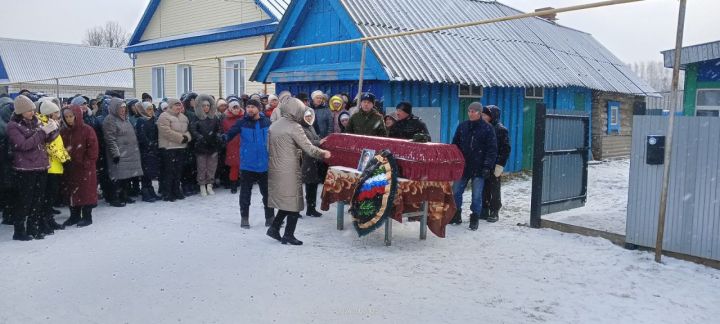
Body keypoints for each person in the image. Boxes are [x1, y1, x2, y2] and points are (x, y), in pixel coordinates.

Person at [266, 99, 331, 245]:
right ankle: (288, 235)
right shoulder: (294, 127)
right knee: (294, 201)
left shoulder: (274, 126)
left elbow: (268, 148)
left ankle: (274, 228)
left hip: (275, 167)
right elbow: (309, 148)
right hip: (290, 168)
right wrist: (323, 153)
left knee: (287, 200)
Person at [6, 95, 58, 240]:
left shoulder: (35, 122)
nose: (32, 113)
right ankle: (19, 230)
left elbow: (45, 140)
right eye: (28, 110)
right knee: (24, 200)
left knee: (38, 199)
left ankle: (33, 227)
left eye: (33, 110)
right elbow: (23, 145)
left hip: (41, 166)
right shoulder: (13, 126)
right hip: (25, 168)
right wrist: (42, 132)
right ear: (20, 112)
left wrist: (53, 130)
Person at [224, 99, 273, 229]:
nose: (250, 109)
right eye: (248, 107)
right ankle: (244, 218)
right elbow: (229, 135)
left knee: (267, 193)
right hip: (247, 164)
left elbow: (276, 138)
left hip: (264, 163)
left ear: (259, 109)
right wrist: (219, 139)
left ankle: (270, 217)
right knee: (245, 193)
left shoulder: (267, 122)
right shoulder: (242, 122)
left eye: (253, 107)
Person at [450, 102, 498, 231]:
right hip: (463, 166)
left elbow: (492, 149)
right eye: (469, 111)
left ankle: (474, 217)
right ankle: (456, 214)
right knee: (456, 192)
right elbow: (455, 145)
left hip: (479, 166)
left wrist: (487, 166)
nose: (471, 113)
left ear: (480, 113)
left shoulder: (487, 128)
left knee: (476, 195)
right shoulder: (463, 126)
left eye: (474, 111)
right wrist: (455, 160)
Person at [60, 105, 99, 227]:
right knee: (72, 192)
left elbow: (93, 148)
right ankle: (74, 215)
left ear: (77, 116)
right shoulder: (64, 131)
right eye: (66, 117)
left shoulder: (87, 130)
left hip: (84, 168)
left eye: (71, 116)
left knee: (86, 191)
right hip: (70, 167)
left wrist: (86, 162)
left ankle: (87, 216)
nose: (69, 119)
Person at [102, 98, 144, 207]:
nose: (123, 110)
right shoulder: (110, 120)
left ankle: (124, 195)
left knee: (126, 176)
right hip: (119, 153)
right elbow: (110, 138)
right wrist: (115, 153)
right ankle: (114, 198)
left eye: (124, 107)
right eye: (120, 107)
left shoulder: (125, 119)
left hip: (129, 152)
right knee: (117, 176)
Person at [38, 100, 71, 234]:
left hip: (55, 165)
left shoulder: (51, 124)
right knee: (47, 197)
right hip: (50, 166)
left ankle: (49, 220)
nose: (59, 114)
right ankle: (44, 221)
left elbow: (59, 146)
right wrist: (65, 159)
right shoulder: (47, 125)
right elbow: (51, 146)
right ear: (49, 113)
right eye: (56, 112)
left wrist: (65, 157)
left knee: (50, 197)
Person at [481, 105, 511, 223]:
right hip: (483, 163)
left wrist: (500, 164)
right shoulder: (481, 127)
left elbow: (505, 149)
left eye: (485, 115)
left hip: (495, 164)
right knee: (483, 187)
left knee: (494, 188)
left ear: (492, 116)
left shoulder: (500, 130)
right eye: (482, 114)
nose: (482, 116)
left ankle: (494, 211)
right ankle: (484, 209)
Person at [157, 99, 191, 202]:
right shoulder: (164, 116)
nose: (178, 108)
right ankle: (168, 192)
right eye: (176, 106)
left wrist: (187, 137)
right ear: (171, 106)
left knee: (178, 171)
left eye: (179, 106)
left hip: (180, 147)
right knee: (169, 171)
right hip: (168, 148)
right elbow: (166, 132)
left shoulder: (184, 117)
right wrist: (181, 138)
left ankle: (176, 190)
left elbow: (187, 131)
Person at [190, 94, 222, 197]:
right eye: (204, 106)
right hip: (201, 146)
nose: (206, 108)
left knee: (211, 167)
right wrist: (200, 137)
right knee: (202, 167)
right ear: (200, 107)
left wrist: (216, 135)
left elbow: (219, 129)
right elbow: (193, 130)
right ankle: (202, 185)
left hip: (212, 146)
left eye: (208, 105)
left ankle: (209, 184)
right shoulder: (196, 117)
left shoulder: (214, 117)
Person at [300, 108, 325, 217]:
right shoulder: (300, 128)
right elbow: (306, 143)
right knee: (305, 186)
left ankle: (311, 208)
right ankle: (295, 211)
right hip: (305, 160)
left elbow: (315, 138)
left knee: (313, 185)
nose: (309, 118)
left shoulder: (310, 126)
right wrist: (319, 142)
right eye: (306, 116)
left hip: (313, 160)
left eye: (310, 116)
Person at [135, 101, 162, 202]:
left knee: (151, 172)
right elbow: (141, 136)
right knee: (145, 173)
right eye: (148, 109)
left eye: (152, 109)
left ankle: (151, 191)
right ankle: (146, 193)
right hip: (145, 151)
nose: (151, 111)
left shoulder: (154, 119)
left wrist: (155, 144)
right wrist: (150, 144)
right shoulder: (141, 120)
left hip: (154, 150)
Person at [222, 98, 244, 193]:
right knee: (234, 167)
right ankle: (233, 185)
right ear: (230, 109)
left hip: (243, 144)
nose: (236, 110)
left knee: (244, 166)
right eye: (234, 108)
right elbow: (225, 132)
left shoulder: (244, 118)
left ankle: (244, 183)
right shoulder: (225, 120)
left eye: (237, 108)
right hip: (232, 145)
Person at [0, 97, 14, 225]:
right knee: (8, 188)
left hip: (8, 163)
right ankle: (8, 214)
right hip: (6, 163)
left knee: (8, 187)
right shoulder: (5, 128)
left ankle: (9, 213)